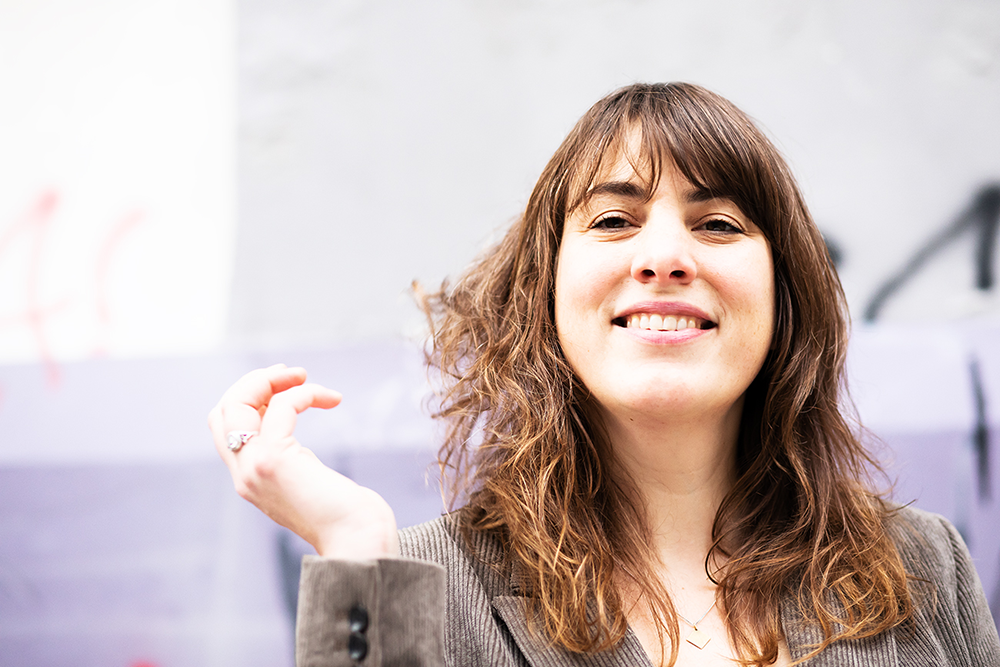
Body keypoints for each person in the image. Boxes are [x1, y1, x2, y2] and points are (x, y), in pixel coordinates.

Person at [209, 83, 1000, 667]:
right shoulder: (421, 587)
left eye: (718, 223)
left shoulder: (923, 567)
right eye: (614, 220)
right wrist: (354, 550)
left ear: (782, 294)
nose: (664, 257)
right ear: (546, 293)